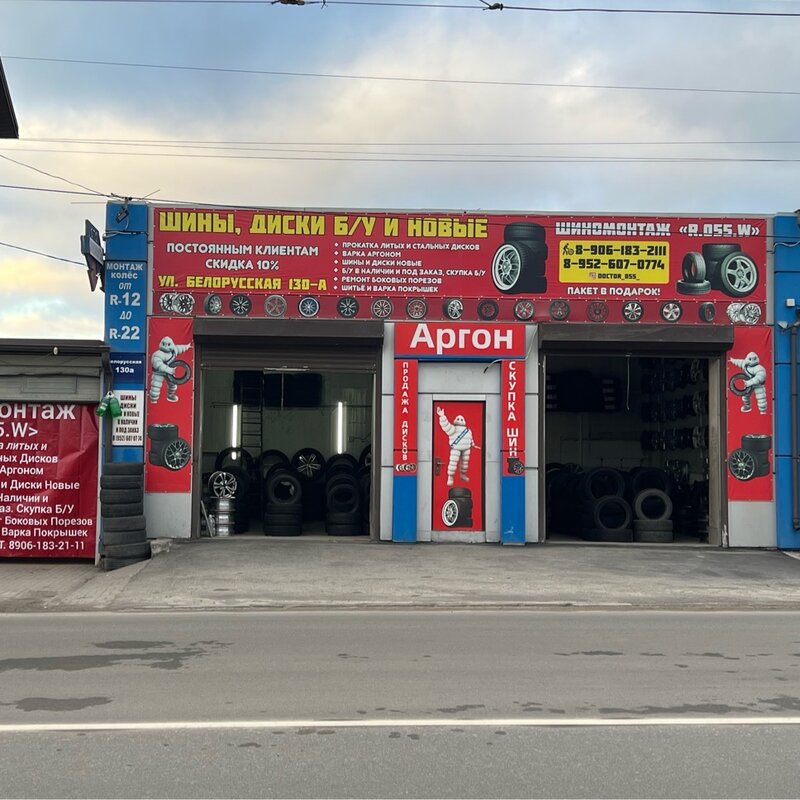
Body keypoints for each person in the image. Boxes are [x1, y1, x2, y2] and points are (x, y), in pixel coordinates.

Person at [436, 406, 477, 487]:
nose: (460, 420)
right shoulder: (453, 429)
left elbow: (470, 438)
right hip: (456, 449)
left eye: (461, 419)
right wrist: (442, 416)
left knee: (465, 463)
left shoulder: (468, 430)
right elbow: (446, 426)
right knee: (453, 463)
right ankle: (450, 477)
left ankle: (463, 475)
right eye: (458, 419)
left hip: (466, 449)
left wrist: (472, 444)